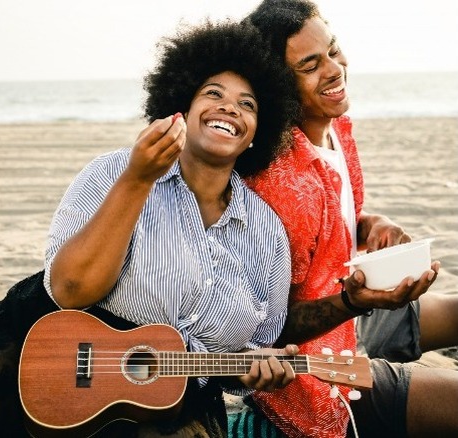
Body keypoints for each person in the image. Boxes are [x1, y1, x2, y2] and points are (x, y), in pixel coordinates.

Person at [41, 19, 302, 437]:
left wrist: (255, 371)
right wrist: (138, 180)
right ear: (181, 107)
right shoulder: (113, 172)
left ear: (256, 134)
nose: (230, 108)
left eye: (248, 104)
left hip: (183, 414)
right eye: (213, 94)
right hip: (68, 394)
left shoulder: (268, 235)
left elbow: (242, 356)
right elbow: (69, 290)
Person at [240, 1, 458, 437]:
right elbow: (265, 328)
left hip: (354, 318)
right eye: (310, 65)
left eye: (333, 50)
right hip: (316, 375)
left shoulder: (334, 128)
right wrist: (355, 302)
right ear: (279, 86)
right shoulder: (285, 185)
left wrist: (370, 225)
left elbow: (339, 216)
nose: (334, 68)